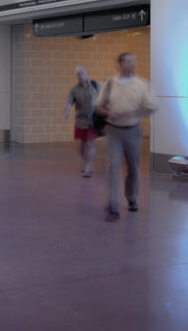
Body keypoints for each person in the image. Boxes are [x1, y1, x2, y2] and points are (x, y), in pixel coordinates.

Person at [95, 51, 156, 218]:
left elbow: (152, 105)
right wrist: (108, 113)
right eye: (129, 61)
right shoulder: (109, 84)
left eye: (134, 61)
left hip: (133, 131)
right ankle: (113, 203)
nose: (133, 64)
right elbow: (98, 106)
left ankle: (132, 198)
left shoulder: (141, 84)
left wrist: (136, 112)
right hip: (113, 130)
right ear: (120, 64)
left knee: (133, 167)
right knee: (113, 166)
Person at [65, 66, 99, 177]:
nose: (81, 76)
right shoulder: (74, 89)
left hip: (92, 120)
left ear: (86, 73)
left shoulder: (94, 85)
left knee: (91, 143)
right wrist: (67, 110)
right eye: (78, 74)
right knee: (81, 146)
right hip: (80, 120)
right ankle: (85, 163)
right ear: (76, 76)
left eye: (82, 73)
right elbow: (69, 101)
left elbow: (103, 96)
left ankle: (89, 167)